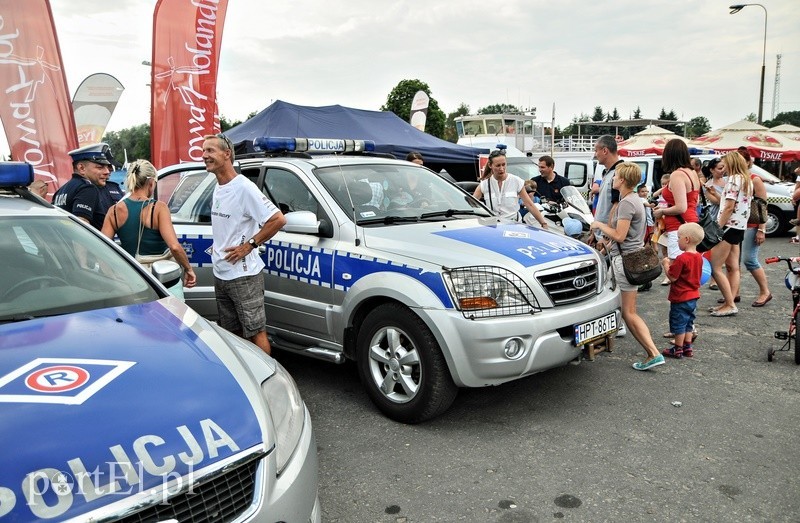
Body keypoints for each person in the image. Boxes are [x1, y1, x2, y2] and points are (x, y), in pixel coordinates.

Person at [203, 134, 287, 355]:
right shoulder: (219, 187)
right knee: (232, 335)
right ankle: (245, 379)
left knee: (255, 332)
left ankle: (266, 380)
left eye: (210, 150)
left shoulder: (244, 187)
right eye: (204, 151)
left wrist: (249, 245)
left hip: (244, 275)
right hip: (222, 273)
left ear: (226, 154)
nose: (205, 156)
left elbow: (277, 219)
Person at [589, 162, 663, 371]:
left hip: (626, 262)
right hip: (626, 257)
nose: (612, 179)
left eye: (615, 176)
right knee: (617, 306)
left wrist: (600, 225)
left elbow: (620, 235)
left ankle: (652, 353)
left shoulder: (627, 203)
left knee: (628, 312)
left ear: (622, 180)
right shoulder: (634, 200)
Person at [101, 160, 196, 289]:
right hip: (162, 282)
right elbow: (174, 247)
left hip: (132, 280)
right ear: (151, 182)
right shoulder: (158, 208)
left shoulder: (114, 211)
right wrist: (188, 269)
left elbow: (103, 249)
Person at [708, 151, 752, 317]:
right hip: (739, 226)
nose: (723, 167)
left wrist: (717, 228)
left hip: (728, 226)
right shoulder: (746, 179)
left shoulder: (733, 179)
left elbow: (728, 207)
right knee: (733, 267)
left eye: (724, 164)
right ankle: (729, 301)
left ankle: (730, 304)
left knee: (715, 267)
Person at [731, 149, 772, 307]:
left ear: (748, 162)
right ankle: (735, 292)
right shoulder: (735, 179)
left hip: (751, 225)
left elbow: (763, 206)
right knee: (734, 262)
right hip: (737, 225)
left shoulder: (755, 180)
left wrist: (762, 229)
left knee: (749, 259)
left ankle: (765, 291)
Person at [652, 139, 701, 269]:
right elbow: (693, 201)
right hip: (691, 222)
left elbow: (681, 207)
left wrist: (662, 211)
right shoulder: (692, 173)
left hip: (678, 226)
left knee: (677, 268)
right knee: (689, 268)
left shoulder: (677, 175)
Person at [660, 222, 704, 358]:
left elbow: (672, 277)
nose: (677, 240)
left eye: (678, 237)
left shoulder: (682, 258)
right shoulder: (699, 257)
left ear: (686, 239)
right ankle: (687, 347)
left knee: (679, 322)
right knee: (689, 322)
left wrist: (666, 264)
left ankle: (678, 348)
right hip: (693, 295)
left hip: (681, 296)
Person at [472, 149, 548, 227]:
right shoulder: (484, 185)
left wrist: (543, 223)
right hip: (494, 227)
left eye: (503, 164)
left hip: (514, 225)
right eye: (498, 165)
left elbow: (529, 204)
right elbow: (471, 206)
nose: (501, 168)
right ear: (490, 165)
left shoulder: (516, 181)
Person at [52, 143, 114, 229]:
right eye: (100, 167)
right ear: (81, 168)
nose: (107, 171)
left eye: (107, 167)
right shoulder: (87, 188)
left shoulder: (60, 191)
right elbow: (81, 226)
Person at [592, 135, 624, 247]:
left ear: (605, 150)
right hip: (601, 234)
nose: (595, 154)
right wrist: (594, 233)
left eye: (596, 151)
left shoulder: (619, 173)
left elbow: (616, 206)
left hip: (608, 238)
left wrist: (606, 236)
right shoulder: (607, 172)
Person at [701, 158, 726, 291]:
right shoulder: (708, 185)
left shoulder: (728, 181)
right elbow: (717, 202)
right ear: (711, 170)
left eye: (723, 168)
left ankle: (719, 277)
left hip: (728, 218)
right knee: (713, 249)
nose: (722, 171)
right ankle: (713, 278)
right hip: (715, 219)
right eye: (719, 168)